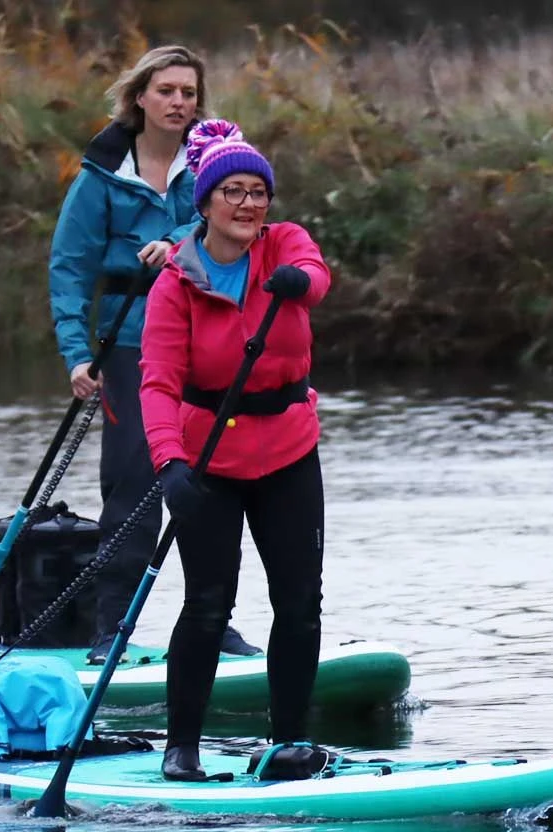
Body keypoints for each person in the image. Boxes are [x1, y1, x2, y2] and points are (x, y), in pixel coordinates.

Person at [48, 46, 260, 664]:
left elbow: (241, 223)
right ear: (139, 97)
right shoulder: (100, 177)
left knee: (212, 487)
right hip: (131, 348)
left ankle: (213, 623)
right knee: (133, 485)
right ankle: (110, 630)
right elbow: (69, 268)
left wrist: (174, 238)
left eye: (189, 93)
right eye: (166, 90)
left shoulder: (214, 168)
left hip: (209, 342)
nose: (178, 103)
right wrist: (74, 353)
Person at [139, 119, 332, 781]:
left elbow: (315, 274)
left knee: (299, 600)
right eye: (234, 192)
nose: (249, 204)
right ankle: (181, 746)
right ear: (207, 202)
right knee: (208, 603)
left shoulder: (284, 246)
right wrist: (168, 464)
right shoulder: (176, 282)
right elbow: (158, 381)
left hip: (288, 450)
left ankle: (289, 742)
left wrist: (297, 287)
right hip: (208, 460)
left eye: (259, 192)